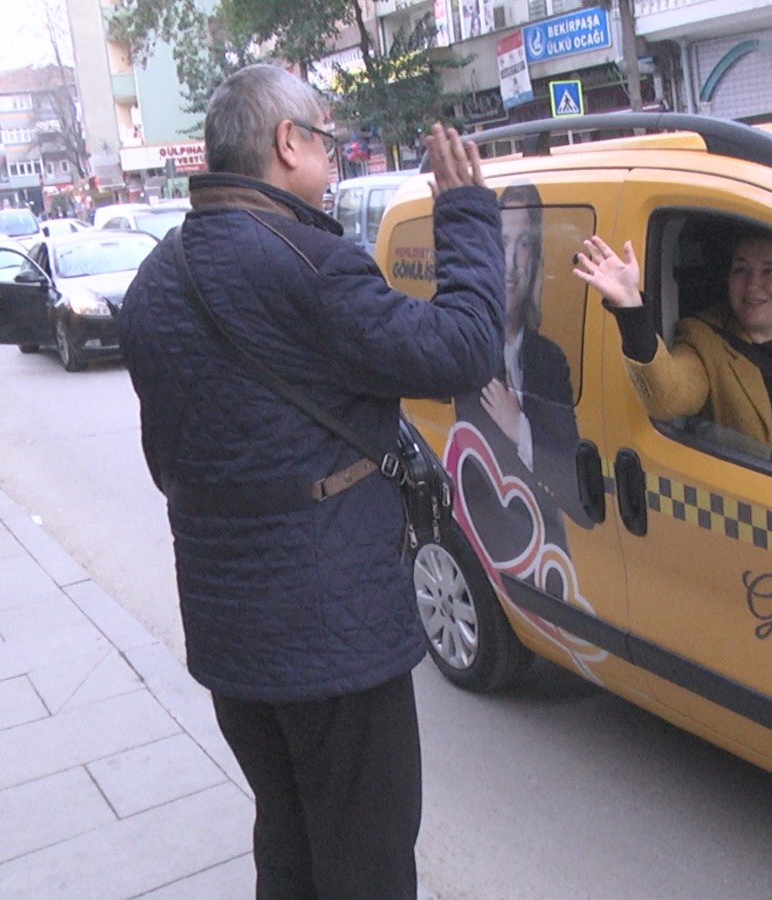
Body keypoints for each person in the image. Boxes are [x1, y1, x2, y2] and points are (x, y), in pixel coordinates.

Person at [117, 64, 504, 899]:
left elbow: (164, 462)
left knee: (288, 836)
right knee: (366, 852)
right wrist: (466, 213)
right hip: (331, 637)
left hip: (229, 634)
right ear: (287, 143)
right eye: (325, 142)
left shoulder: (155, 278)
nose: (333, 163)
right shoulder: (310, 263)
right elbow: (465, 349)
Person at [572, 229, 772, 457]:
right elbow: (666, 398)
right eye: (741, 270)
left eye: (769, 271)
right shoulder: (704, 337)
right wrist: (630, 308)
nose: (753, 284)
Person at [452, 182, 584, 562]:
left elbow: (577, 500)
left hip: (552, 566)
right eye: (500, 241)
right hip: (491, 558)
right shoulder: (467, 352)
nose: (509, 263)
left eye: (523, 243)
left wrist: (520, 429)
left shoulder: (550, 361)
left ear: (537, 257)